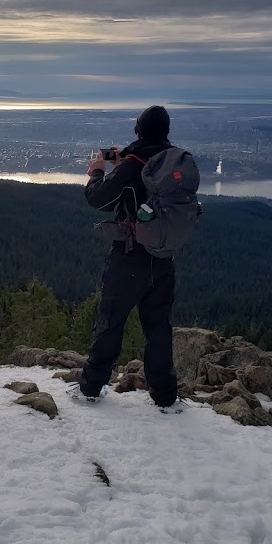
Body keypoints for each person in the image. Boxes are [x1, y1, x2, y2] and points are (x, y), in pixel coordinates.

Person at [77, 105, 180, 410]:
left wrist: (98, 170)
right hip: (163, 257)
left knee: (111, 320)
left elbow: (99, 199)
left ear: (138, 130)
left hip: (130, 256)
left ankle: (91, 387)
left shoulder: (134, 163)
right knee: (158, 326)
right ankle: (164, 396)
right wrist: (121, 163)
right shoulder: (172, 160)